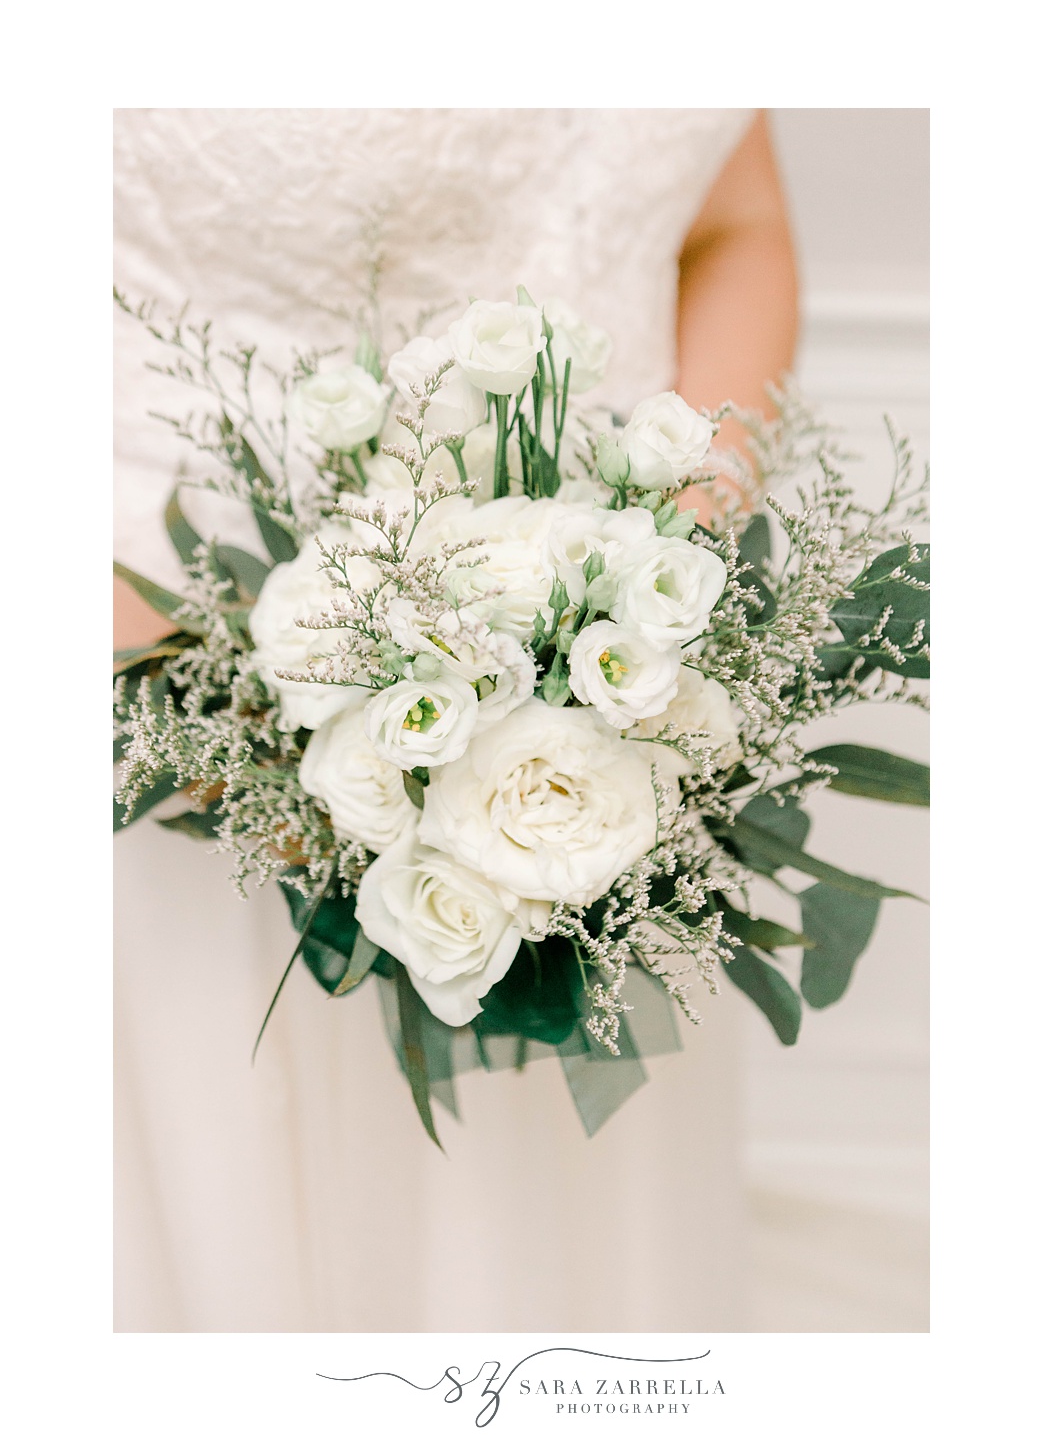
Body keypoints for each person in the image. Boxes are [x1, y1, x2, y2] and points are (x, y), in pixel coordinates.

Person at [114, 108, 798, 1331]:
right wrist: (214, 695)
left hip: (606, 770)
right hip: (183, 738)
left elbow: (731, 224)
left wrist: (656, 577)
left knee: (556, 1266)